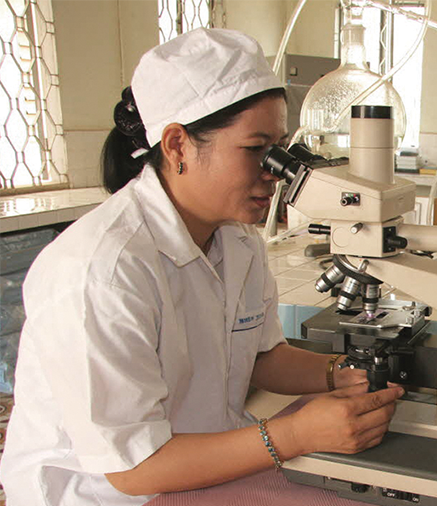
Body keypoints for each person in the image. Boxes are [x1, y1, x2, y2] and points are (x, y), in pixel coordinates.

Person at [0, 28, 404, 506]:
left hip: (208, 466)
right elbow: (133, 468)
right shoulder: (102, 271)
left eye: (279, 148)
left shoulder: (237, 240)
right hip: (107, 496)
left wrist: (346, 372)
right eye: (257, 150)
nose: (277, 172)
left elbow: (261, 358)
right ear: (177, 146)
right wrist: (294, 434)